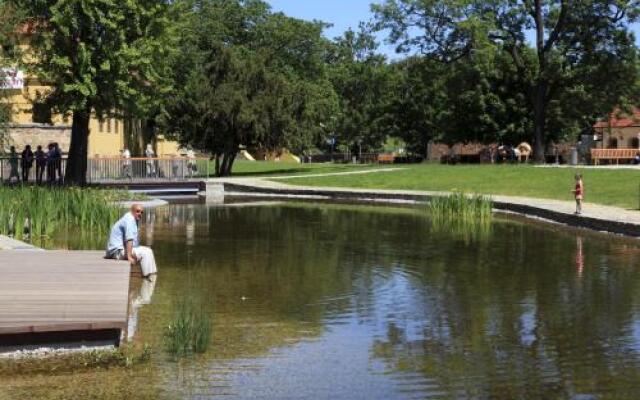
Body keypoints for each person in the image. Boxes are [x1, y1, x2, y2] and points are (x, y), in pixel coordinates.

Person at [105, 204, 157, 279]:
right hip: (116, 252)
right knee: (145, 253)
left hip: (118, 250)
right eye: (138, 211)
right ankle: (147, 277)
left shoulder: (130, 218)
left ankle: (152, 274)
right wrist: (129, 256)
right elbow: (129, 239)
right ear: (132, 211)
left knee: (149, 250)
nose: (140, 214)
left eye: (142, 212)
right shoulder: (130, 220)